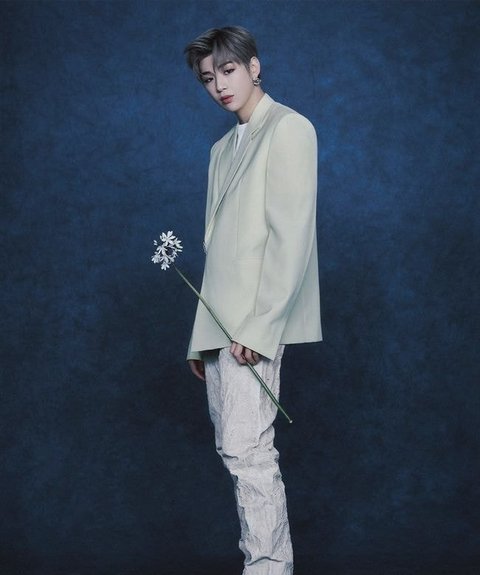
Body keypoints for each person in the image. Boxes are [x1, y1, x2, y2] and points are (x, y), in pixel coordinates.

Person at [184, 26, 322, 575]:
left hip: (254, 326)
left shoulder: (289, 129)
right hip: (220, 328)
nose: (219, 85)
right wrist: (201, 340)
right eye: (208, 78)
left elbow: (292, 238)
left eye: (228, 70)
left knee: (249, 452)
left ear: (254, 67)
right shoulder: (221, 149)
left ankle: (268, 567)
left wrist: (262, 326)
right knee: (234, 450)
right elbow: (220, 253)